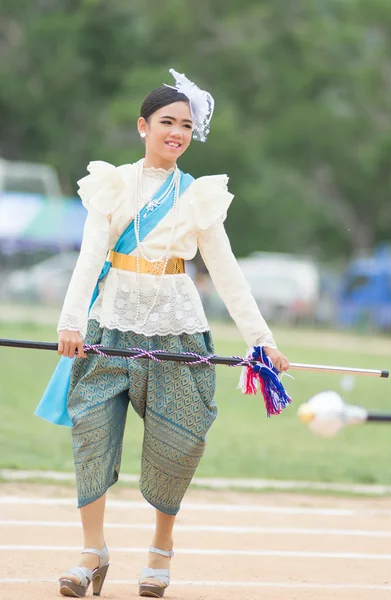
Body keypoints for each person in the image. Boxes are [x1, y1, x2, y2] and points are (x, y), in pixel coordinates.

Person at [55, 69, 289, 598]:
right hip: (110, 325)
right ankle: (92, 552)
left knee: (176, 446)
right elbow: (90, 257)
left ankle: (160, 552)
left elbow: (227, 274)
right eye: (166, 122)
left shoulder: (199, 197)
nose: (176, 132)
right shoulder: (111, 184)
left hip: (178, 332)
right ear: (143, 126)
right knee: (91, 433)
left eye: (185, 124)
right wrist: (71, 323)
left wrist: (262, 340)